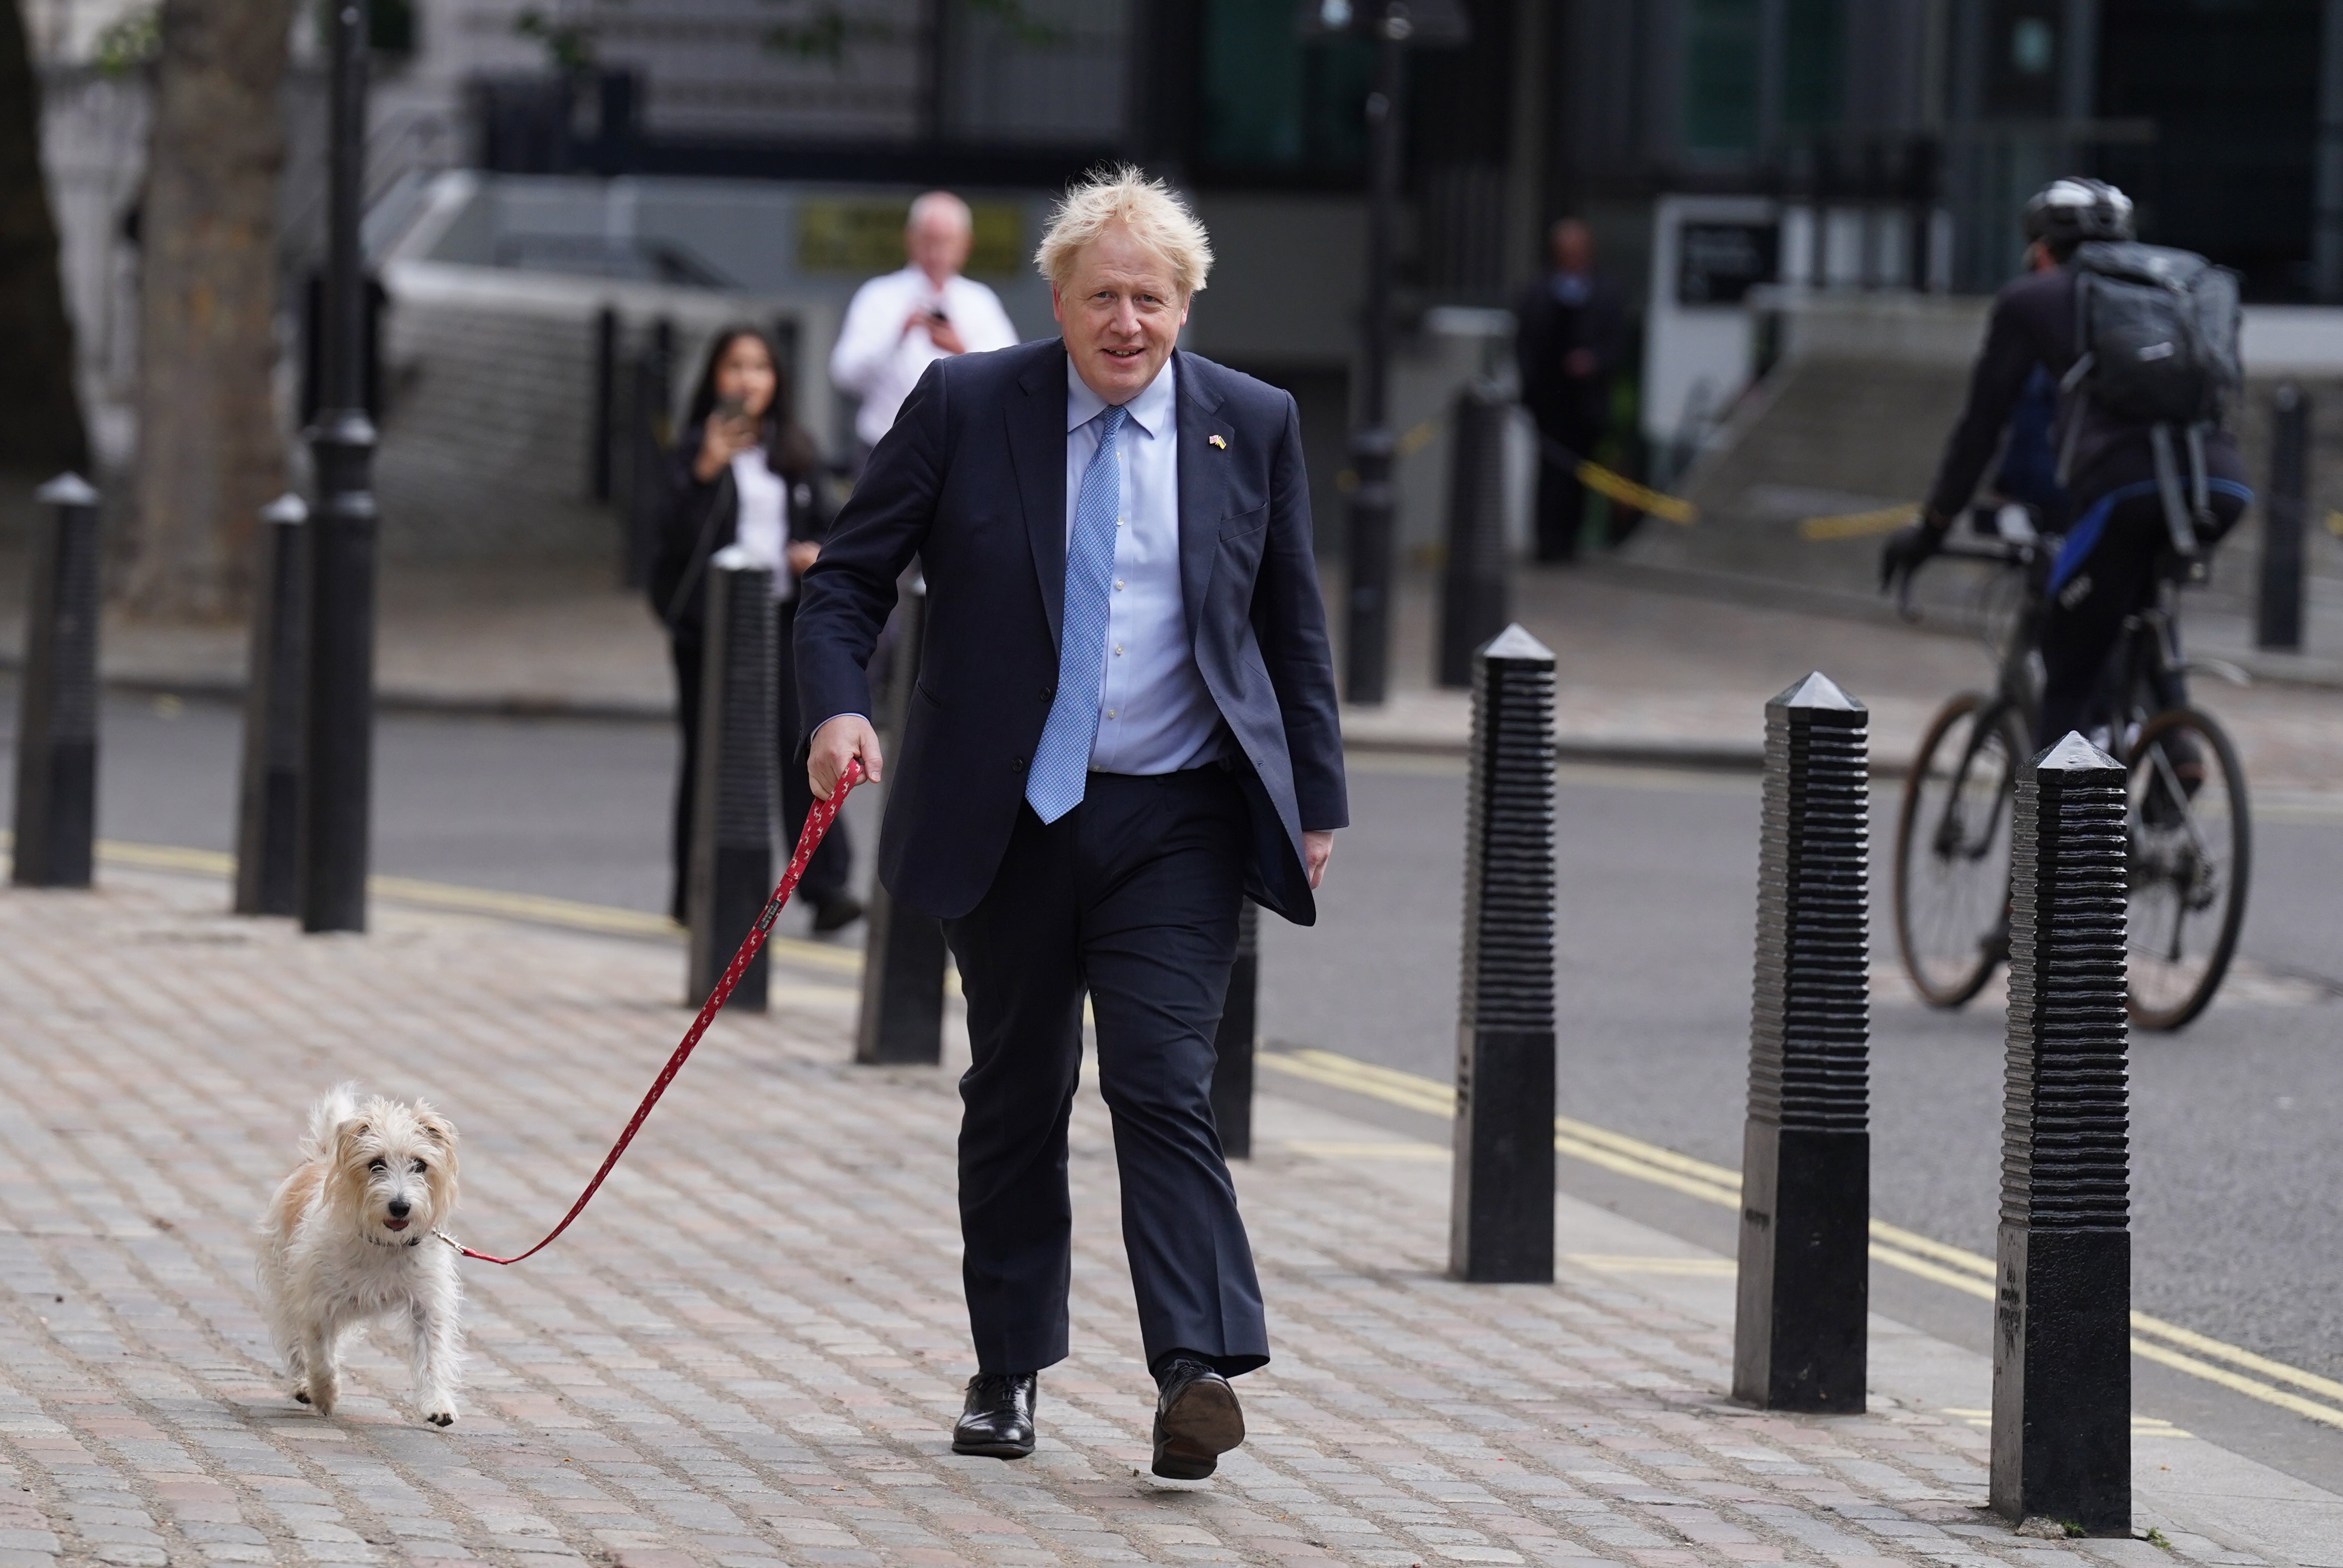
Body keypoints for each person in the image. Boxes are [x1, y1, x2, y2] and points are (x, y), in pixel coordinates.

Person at [793, 167, 1345, 1481]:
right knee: (1018, 1089)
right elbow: (846, 580)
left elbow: (1290, 622)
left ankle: (1194, 1369)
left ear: (1184, 307)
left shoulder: (1249, 425)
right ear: (1053, 299)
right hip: (1012, 814)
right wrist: (835, 715)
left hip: (1178, 816)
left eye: (1149, 300)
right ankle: (1007, 1368)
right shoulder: (967, 404)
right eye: (1100, 297)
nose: (1125, 324)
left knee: (1162, 1083)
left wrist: (1313, 794)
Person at [1883, 177, 2251, 750]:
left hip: (2122, 488)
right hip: (2222, 484)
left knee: (2069, 672)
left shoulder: (2034, 298)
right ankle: (2178, 756)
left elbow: (1983, 426)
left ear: (2041, 250)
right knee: (2136, 609)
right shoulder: (2181, 284)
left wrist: (1933, 527)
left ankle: (2057, 837)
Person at [649, 326, 861, 933]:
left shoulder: (792, 450)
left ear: (777, 382)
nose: (747, 380)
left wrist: (814, 554)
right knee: (710, 755)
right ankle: (697, 892)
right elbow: (668, 540)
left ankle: (826, 888)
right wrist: (704, 468)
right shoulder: (693, 450)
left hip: (782, 619)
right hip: (711, 627)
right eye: (735, 367)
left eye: (760, 368)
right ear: (715, 378)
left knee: (802, 748)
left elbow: (828, 524)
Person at [829, 191, 1022, 461]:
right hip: (884, 445)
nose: (936, 252)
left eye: (946, 242)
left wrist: (962, 349)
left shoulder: (981, 303)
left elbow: (1011, 378)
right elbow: (844, 375)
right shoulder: (878, 296)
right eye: (929, 240)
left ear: (965, 245)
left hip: (958, 449)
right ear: (910, 239)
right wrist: (897, 338)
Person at [1516, 218, 1627, 562]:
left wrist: (1593, 362)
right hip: (1548, 401)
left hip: (1586, 401)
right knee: (1549, 474)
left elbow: (1618, 345)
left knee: (1579, 473)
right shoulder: (1538, 291)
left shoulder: (1607, 292)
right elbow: (1525, 345)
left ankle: (1571, 542)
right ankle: (1547, 542)